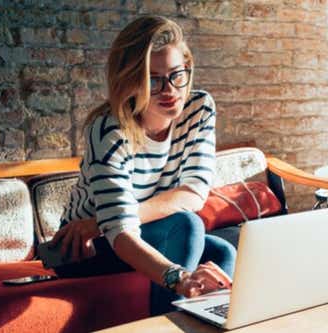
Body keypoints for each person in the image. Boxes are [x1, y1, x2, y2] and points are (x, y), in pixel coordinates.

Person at [48, 15, 236, 316]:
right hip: (82, 247)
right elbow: (121, 234)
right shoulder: (109, 130)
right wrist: (181, 278)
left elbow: (194, 194)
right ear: (131, 81)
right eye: (153, 79)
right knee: (187, 226)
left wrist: (102, 220)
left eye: (177, 74)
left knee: (223, 251)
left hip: (116, 227)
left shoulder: (198, 109)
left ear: (187, 67)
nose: (170, 90)